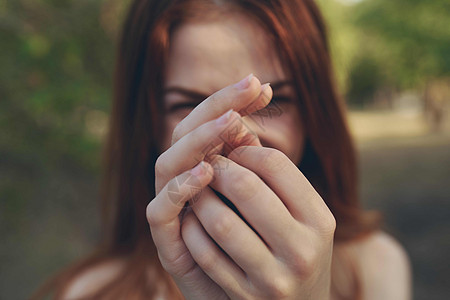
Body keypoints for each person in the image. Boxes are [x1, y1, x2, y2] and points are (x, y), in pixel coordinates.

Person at [30, 0, 412, 299]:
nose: (239, 135)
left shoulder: (375, 268)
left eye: (272, 102)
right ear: (145, 125)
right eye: (190, 106)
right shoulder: (90, 293)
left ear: (315, 115)